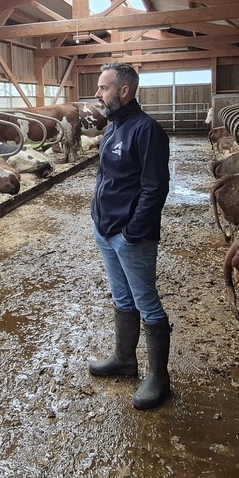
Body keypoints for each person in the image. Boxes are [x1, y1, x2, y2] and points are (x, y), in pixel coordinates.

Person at [88, 61, 172, 410]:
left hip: (130, 235)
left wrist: (133, 231)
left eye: (104, 88)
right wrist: (97, 218)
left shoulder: (146, 129)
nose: (98, 94)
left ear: (124, 91)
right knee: (122, 298)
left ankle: (158, 377)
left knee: (146, 301)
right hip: (106, 230)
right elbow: (107, 177)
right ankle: (124, 359)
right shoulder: (113, 127)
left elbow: (155, 187)